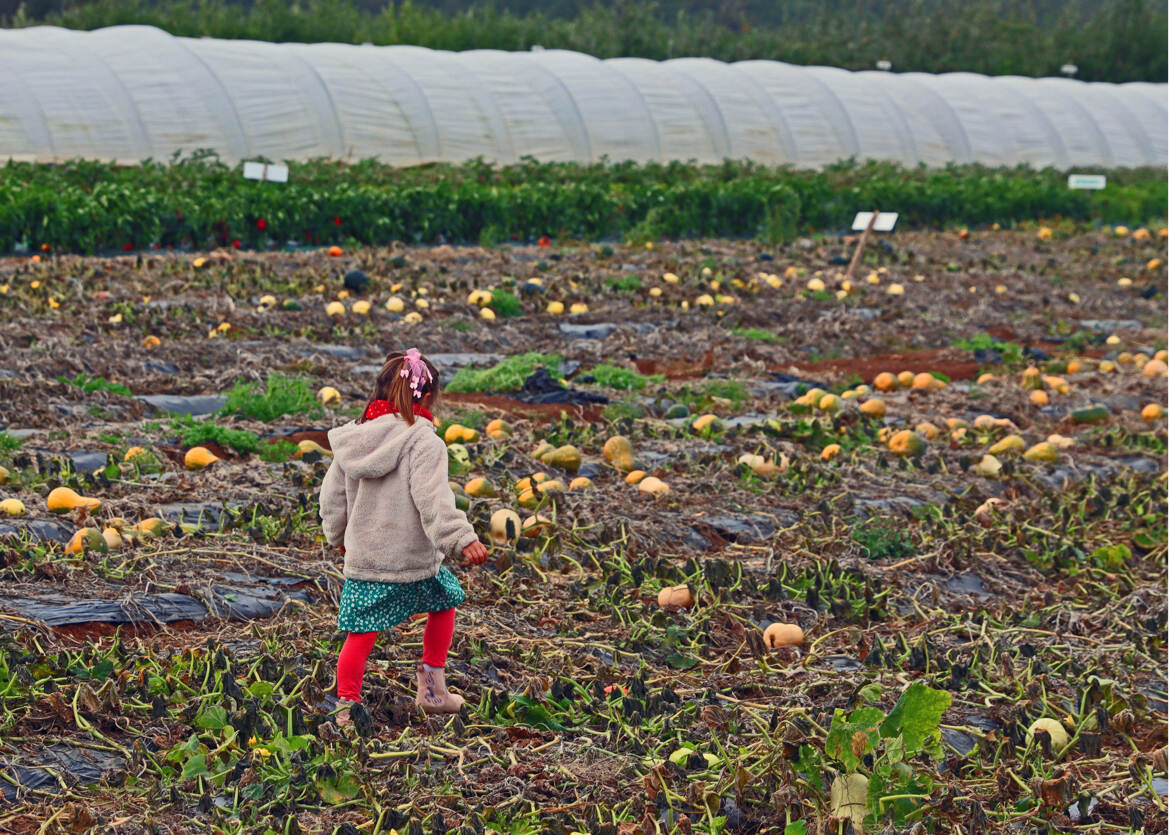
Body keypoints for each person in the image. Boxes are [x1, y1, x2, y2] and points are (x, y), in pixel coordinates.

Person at [318, 348, 489, 723]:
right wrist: (462, 538)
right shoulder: (424, 441)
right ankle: (432, 691)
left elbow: (331, 498)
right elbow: (434, 500)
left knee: (359, 634)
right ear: (426, 398)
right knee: (445, 602)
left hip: (366, 558)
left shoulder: (354, 439)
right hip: (412, 559)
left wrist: (339, 537)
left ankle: (346, 708)